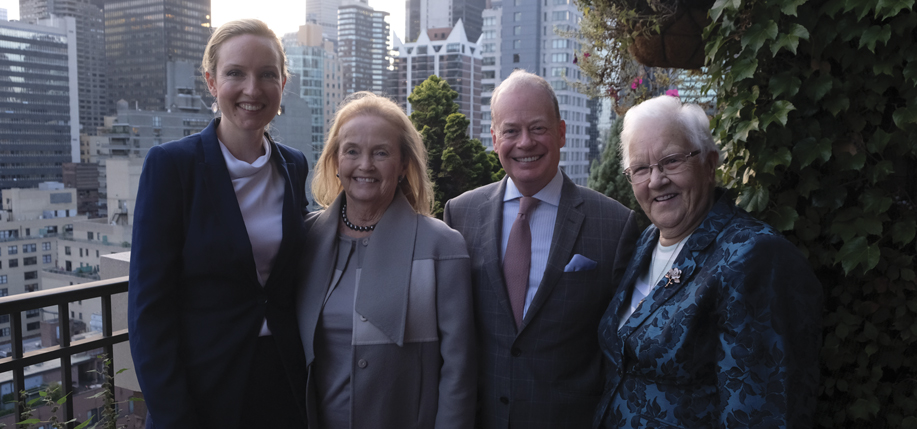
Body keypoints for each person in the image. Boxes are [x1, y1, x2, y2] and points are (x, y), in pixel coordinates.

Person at [594, 95, 822, 428]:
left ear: (710, 162)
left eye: (671, 161)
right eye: (641, 169)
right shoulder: (648, 242)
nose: (656, 180)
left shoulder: (754, 256)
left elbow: (761, 411)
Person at [128, 19, 308, 428]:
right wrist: (175, 415)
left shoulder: (294, 165)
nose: (252, 89)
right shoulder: (173, 166)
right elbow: (148, 313)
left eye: (267, 75)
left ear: (283, 82)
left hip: (285, 386)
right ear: (211, 82)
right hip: (203, 392)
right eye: (235, 74)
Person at [443, 70, 639, 428]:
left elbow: (622, 349)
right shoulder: (460, 214)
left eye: (538, 128)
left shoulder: (614, 224)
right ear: (493, 138)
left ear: (561, 132)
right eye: (511, 131)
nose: (525, 142)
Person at [296, 92, 476, 429]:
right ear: (336, 160)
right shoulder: (303, 240)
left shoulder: (442, 247)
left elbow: (458, 373)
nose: (365, 165)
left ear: (404, 164)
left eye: (381, 152)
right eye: (352, 151)